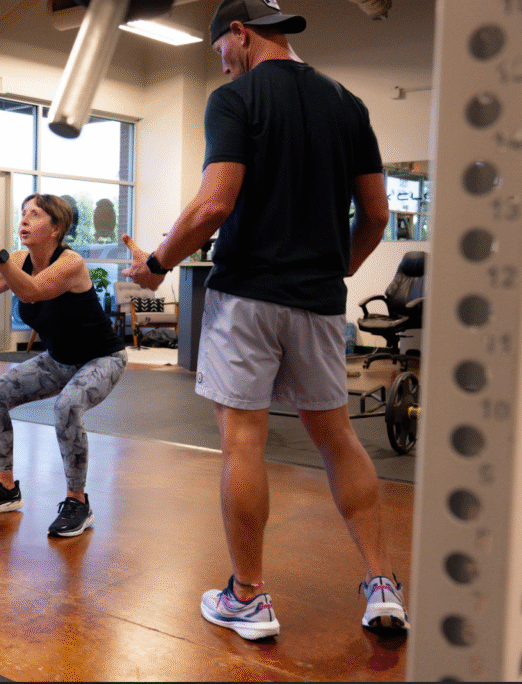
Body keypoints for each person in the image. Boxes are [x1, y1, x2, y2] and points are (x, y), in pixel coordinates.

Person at [122, 0, 406, 640]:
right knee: (336, 438)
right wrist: (333, 273)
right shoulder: (348, 104)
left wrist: (159, 264)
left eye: (220, 49)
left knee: (243, 441)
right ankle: (383, 584)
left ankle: (248, 597)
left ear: (241, 35)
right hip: (319, 303)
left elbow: (214, 201)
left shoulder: (236, 100)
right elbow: (378, 216)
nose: (220, 62)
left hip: (247, 296)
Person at [0, 194, 127, 537]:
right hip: (58, 361)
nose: (24, 220)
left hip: (101, 359)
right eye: (23, 213)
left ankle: (78, 502)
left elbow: (32, 292)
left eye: (35, 215)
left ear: (56, 228)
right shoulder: (20, 258)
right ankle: (6, 488)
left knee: (68, 405)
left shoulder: (71, 263)